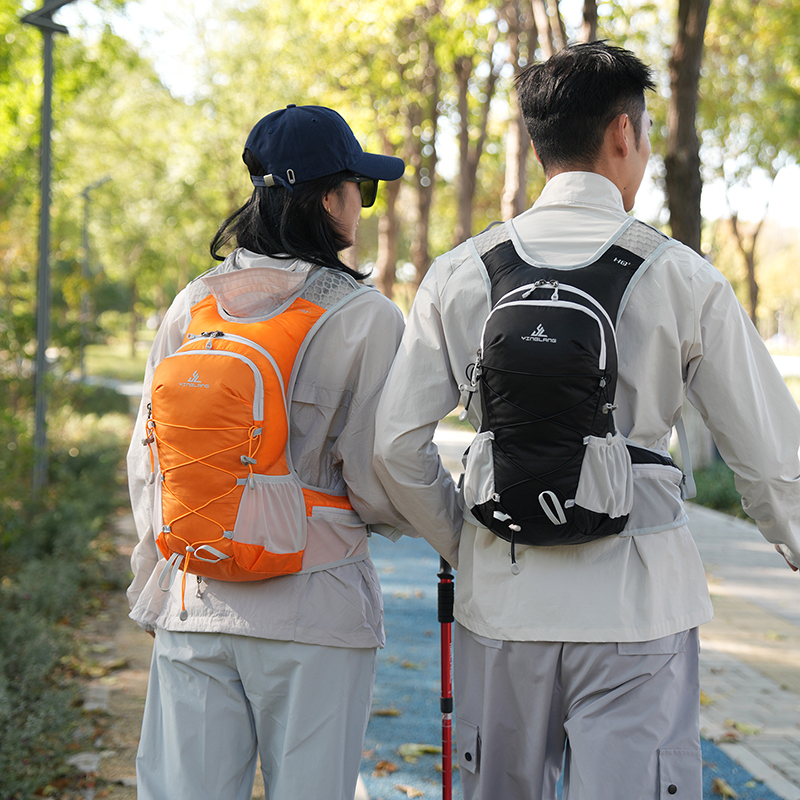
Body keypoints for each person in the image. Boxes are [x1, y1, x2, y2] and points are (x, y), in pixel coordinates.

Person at [373, 42, 800, 800]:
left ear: (538, 145)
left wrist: (470, 539)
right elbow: (770, 460)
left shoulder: (461, 271)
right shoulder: (681, 275)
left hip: (500, 605)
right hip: (639, 607)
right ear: (624, 135)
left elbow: (396, 447)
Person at [127, 104, 412, 800]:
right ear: (325, 197)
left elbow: (150, 460)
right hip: (315, 610)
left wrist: (163, 569)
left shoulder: (193, 304)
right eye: (359, 188)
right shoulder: (364, 316)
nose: (362, 205)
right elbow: (381, 478)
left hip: (197, 597)